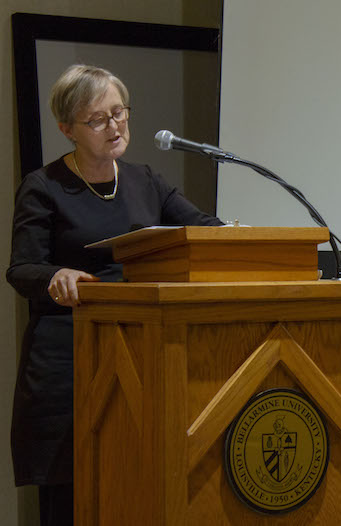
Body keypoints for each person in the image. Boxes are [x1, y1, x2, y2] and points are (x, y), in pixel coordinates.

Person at [6, 64, 224, 526]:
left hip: (139, 350)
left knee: (139, 488)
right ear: (67, 128)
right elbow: (21, 268)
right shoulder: (43, 188)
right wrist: (57, 275)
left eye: (119, 113)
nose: (115, 126)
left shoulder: (146, 180)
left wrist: (237, 235)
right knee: (72, 498)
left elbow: (202, 228)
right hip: (69, 357)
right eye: (98, 119)